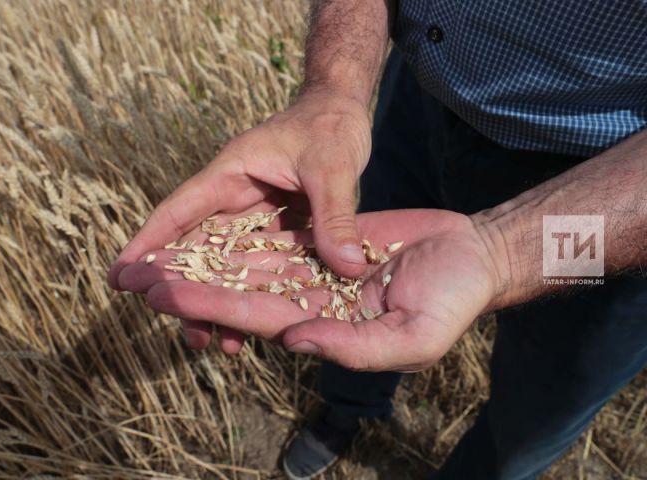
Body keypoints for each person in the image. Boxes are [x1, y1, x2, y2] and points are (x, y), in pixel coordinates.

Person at [109, 1, 647, 478]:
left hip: (607, 193)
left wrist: (505, 252)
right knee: (353, 292)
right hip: (421, 97)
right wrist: (334, 90)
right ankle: (345, 412)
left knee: (541, 403)